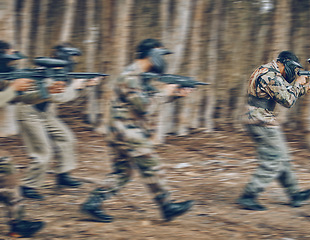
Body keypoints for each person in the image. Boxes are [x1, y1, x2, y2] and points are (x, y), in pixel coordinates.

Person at [81, 38, 194, 223]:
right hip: (125, 129)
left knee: (123, 172)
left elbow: (148, 100)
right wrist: (166, 91)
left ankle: (92, 204)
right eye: (160, 54)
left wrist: (174, 94)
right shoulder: (130, 76)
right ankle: (167, 206)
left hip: (123, 129)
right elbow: (144, 106)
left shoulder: (140, 75)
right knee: (151, 163)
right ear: (152, 55)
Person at [0, 41, 86, 200]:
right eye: (72, 56)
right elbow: (59, 97)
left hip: (42, 111)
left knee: (66, 138)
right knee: (42, 151)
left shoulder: (57, 70)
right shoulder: (47, 69)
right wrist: (76, 88)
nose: (74, 60)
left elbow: (28, 96)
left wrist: (50, 90)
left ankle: (63, 174)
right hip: (29, 112)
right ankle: (28, 185)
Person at [237, 51, 310, 211]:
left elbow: (284, 93)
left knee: (283, 157)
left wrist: (305, 87)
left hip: (261, 118)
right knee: (273, 159)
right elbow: (288, 101)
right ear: (285, 63)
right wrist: (298, 83)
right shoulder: (271, 76)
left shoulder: (268, 71)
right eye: (292, 69)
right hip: (260, 121)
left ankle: (294, 194)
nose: (293, 73)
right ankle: (248, 196)